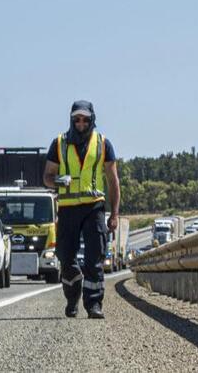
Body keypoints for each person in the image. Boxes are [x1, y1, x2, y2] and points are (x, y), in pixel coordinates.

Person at [43, 100, 121, 319]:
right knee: (66, 258)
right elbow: (47, 177)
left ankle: (94, 304)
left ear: (92, 119)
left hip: (94, 207)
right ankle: (72, 297)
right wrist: (58, 180)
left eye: (85, 119)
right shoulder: (58, 143)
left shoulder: (103, 144)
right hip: (67, 209)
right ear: (71, 119)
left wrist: (114, 215)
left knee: (95, 256)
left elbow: (113, 182)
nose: (81, 123)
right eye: (77, 119)